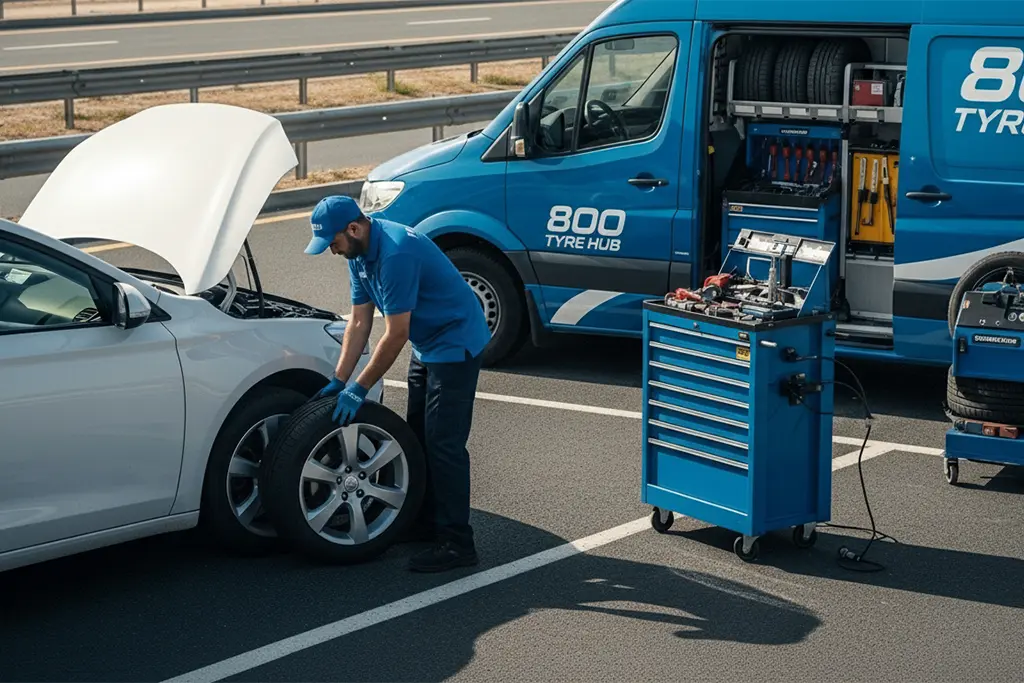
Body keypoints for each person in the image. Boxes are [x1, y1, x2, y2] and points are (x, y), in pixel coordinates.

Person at [303, 195, 491, 573]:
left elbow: (395, 334)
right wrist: (339, 379)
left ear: (353, 229)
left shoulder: (395, 255)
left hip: (455, 343)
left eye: (333, 243)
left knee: (445, 445)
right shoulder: (358, 255)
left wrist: (359, 387)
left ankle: (457, 543)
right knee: (419, 436)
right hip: (428, 343)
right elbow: (359, 322)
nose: (332, 251)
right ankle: (425, 524)